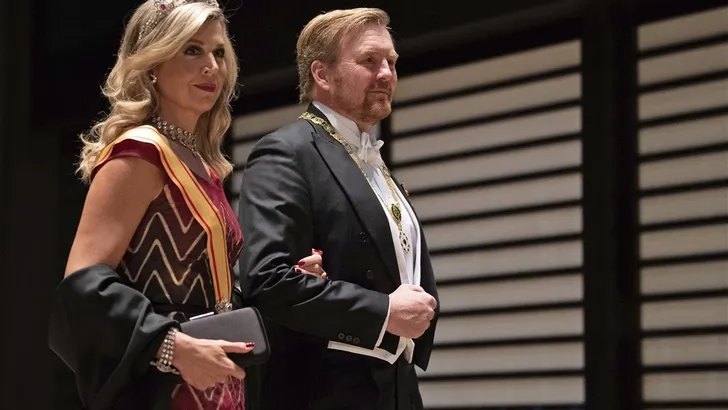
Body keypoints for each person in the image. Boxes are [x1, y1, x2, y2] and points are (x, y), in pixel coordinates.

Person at [47, 1, 325, 409]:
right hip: (169, 389)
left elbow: (208, 296)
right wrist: (171, 346)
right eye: (192, 50)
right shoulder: (140, 152)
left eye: (219, 53)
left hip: (218, 385)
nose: (212, 66)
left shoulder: (202, 164)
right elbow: (83, 284)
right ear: (153, 63)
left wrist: (289, 281)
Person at [237, 7, 439, 410]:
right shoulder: (286, 152)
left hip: (397, 388)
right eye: (369, 61)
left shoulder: (372, 160)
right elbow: (267, 279)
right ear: (322, 74)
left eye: (391, 61)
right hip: (324, 388)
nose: (386, 74)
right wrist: (383, 311)